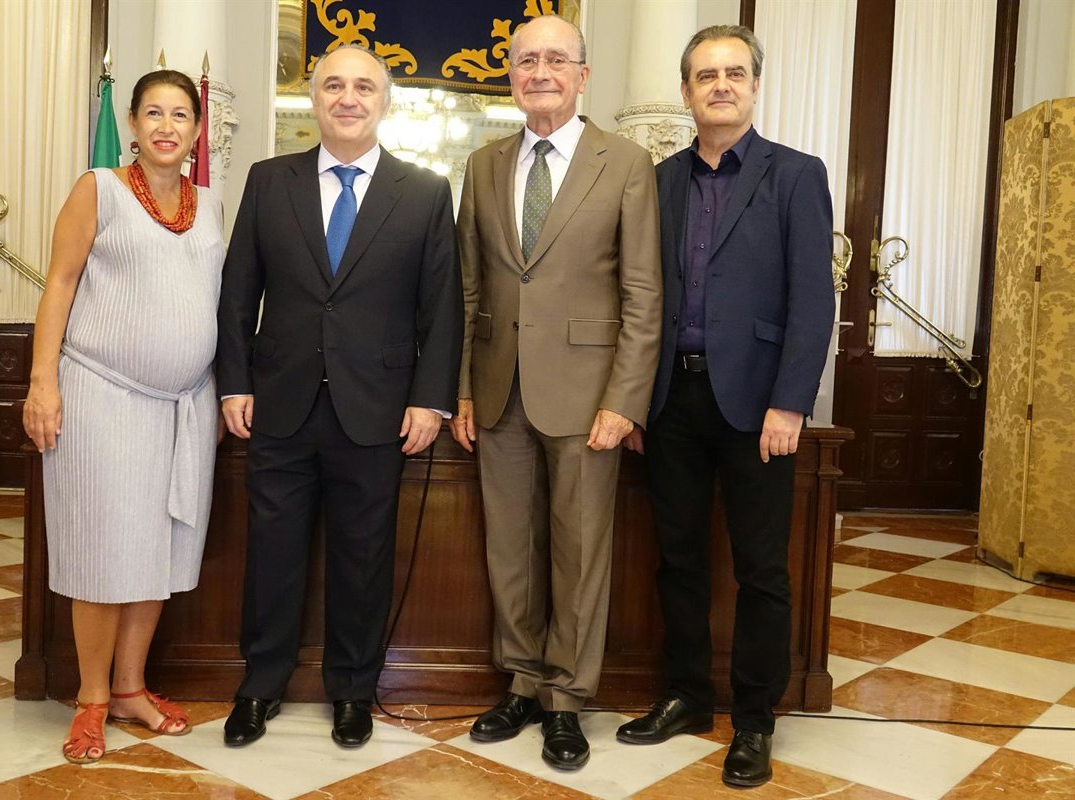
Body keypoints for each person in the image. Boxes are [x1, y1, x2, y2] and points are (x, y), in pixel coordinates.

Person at [216, 44, 462, 750]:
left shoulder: (425, 191)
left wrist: (431, 400)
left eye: (363, 87)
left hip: (378, 409)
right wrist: (234, 381)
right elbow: (239, 291)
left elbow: (442, 307)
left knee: (363, 556)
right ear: (313, 96)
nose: (348, 98)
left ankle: (353, 690)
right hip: (279, 402)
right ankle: (260, 685)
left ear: (385, 101)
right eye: (333, 86)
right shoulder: (269, 180)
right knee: (273, 552)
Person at [613, 26, 835, 789]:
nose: (721, 85)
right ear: (686, 92)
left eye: (734, 73)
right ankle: (686, 695)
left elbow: (813, 300)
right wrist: (634, 401)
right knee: (677, 559)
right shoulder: (658, 181)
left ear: (754, 86)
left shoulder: (796, 175)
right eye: (706, 75)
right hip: (671, 398)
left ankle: (755, 719)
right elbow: (636, 295)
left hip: (757, 406)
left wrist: (790, 404)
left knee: (762, 569)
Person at [451, 15, 662, 771]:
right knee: (509, 548)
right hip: (497, 389)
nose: (539, 72)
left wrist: (624, 399)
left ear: (583, 74)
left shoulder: (627, 162)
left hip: (587, 394)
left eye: (555, 60)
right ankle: (520, 681)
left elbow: (643, 293)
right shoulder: (483, 164)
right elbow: (469, 287)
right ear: (510, 75)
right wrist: (463, 390)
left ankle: (566, 697)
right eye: (526, 61)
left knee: (578, 551)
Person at [22, 70, 225, 765]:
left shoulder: (212, 205)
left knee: (158, 551)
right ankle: (91, 699)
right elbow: (59, 283)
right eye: (154, 113)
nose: (167, 126)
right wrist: (42, 383)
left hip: (186, 404)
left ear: (197, 130)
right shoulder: (98, 188)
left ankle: (132, 689)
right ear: (133, 125)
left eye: (181, 115)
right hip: (103, 395)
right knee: (104, 549)